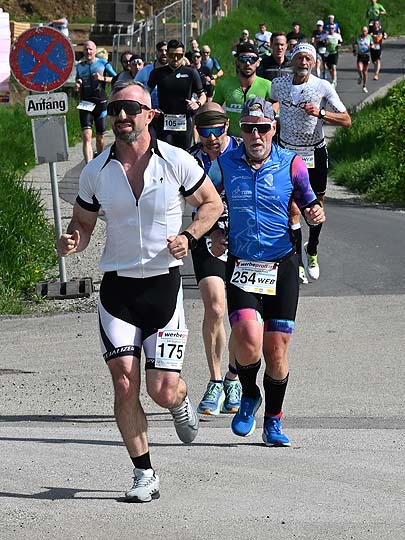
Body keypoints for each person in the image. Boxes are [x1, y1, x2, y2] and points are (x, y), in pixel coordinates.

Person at [57, 80, 223, 503]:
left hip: (163, 288)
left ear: (150, 115)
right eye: (115, 109)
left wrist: (189, 236)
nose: (122, 116)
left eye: (131, 109)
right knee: (124, 383)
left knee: (161, 389)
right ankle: (144, 473)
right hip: (118, 291)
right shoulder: (96, 171)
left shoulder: (177, 161)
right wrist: (74, 239)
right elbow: (83, 222)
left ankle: (180, 401)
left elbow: (211, 204)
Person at [208, 97, 325, 446]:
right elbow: (205, 202)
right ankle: (249, 394)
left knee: (276, 350)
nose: (255, 135)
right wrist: (214, 232)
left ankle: (273, 420)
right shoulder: (224, 164)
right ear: (240, 130)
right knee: (247, 339)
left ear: (274, 128)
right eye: (249, 128)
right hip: (243, 264)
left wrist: (315, 214)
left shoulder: (291, 164)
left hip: (282, 264)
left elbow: (309, 201)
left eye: (262, 128)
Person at [270, 43, 351, 282]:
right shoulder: (279, 84)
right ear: (292, 61)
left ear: (314, 62)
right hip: (287, 152)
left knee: (316, 208)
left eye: (308, 58)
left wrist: (321, 113)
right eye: (299, 58)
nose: (303, 62)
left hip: (314, 152)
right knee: (292, 208)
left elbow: (346, 120)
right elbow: (271, 103)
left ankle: (312, 248)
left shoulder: (322, 86)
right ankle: (295, 260)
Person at [188, 102, 242, 415]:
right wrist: (208, 233)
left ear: (226, 126)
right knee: (215, 307)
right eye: (204, 131)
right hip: (206, 239)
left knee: (241, 314)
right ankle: (216, 380)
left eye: (216, 130)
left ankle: (234, 377)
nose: (211, 138)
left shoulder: (242, 152)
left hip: (243, 240)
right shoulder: (190, 160)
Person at [147, 39, 206, 149]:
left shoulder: (191, 73)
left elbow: (202, 95)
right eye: (172, 55)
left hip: (184, 121)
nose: (175, 59)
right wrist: (151, 108)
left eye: (179, 56)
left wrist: (197, 104)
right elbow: (145, 93)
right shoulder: (157, 73)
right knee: (165, 154)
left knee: (184, 154)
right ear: (167, 54)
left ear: (183, 55)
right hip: (164, 121)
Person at [213, 42, 271, 136]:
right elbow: (214, 110)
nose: (247, 63)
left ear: (258, 63)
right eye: (243, 59)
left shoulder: (267, 85)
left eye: (252, 59)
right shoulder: (224, 84)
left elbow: (276, 113)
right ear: (237, 62)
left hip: (257, 138)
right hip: (231, 139)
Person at [75, 40, 117, 163]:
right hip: (85, 104)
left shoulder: (103, 63)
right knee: (86, 136)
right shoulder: (79, 66)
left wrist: (102, 78)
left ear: (95, 50)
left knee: (100, 138)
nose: (88, 51)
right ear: (83, 51)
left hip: (100, 104)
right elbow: (78, 80)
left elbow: (116, 78)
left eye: (90, 49)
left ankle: (99, 160)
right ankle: (88, 166)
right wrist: (77, 85)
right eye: (86, 49)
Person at [135, 41, 168, 108]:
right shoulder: (146, 70)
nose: (164, 53)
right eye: (161, 50)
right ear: (156, 52)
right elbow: (134, 88)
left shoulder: (174, 71)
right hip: (149, 110)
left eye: (166, 50)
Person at [353, 26, 374, 92]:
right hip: (360, 55)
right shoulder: (358, 37)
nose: (363, 32)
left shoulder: (369, 37)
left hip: (366, 56)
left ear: (367, 31)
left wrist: (371, 47)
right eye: (362, 31)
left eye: (365, 31)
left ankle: (364, 86)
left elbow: (373, 45)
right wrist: (354, 51)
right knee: (360, 69)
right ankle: (360, 76)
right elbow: (354, 44)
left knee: (365, 72)